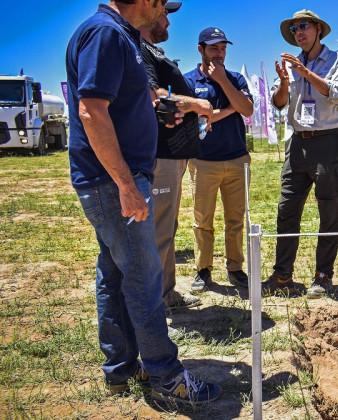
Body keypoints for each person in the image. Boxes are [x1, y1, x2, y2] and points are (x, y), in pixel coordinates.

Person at [65, 0, 220, 403]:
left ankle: (121, 369)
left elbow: (126, 100)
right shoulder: (106, 33)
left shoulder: (121, 36)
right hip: (113, 181)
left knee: (115, 275)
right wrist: (125, 184)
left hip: (113, 180)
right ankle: (166, 376)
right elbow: (90, 111)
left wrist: (164, 108)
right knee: (143, 276)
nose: (163, 10)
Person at [262, 10, 338, 299]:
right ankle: (282, 275)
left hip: (328, 142)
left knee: (329, 210)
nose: (298, 32)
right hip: (297, 143)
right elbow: (278, 102)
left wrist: (304, 72)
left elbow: (336, 93)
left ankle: (323, 275)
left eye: (303, 27)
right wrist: (286, 84)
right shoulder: (291, 66)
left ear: (317, 30)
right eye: (294, 29)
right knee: (287, 210)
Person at [139, 1, 213, 310]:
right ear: (149, 11)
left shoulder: (151, 49)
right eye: (165, 12)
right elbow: (152, 93)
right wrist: (198, 105)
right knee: (159, 228)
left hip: (173, 154)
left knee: (167, 226)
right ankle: (156, 300)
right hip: (161, 154)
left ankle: (166, 294)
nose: (168, 21)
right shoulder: (139, 49)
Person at [183, 27, 254, 292]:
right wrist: (227, 109)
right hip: (203, 161)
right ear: (200, 49)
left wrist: (224, 82)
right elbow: (191, 116)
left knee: (236, 219)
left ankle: (235, 267)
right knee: (203, 220)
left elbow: (246, 109)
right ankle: (203, 270)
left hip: (237, 159)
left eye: (223, 49)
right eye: (214, 48)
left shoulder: (234, 79)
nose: (219, 54)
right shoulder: (188, 81)